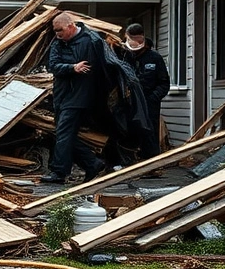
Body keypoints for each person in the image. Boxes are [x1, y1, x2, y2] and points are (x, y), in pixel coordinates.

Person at [42, 12, 106, 184]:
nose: (58, 34)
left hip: (79, 96)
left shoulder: (90, 41)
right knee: (64, 135)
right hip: (62, 96)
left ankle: (59, 173)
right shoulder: (58, 43)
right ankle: (92, 163)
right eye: (55, 31)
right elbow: (53, 65)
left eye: (60, 30)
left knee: (64, 133)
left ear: (70, 26)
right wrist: (72, 67)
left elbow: (98, 69)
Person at [121, 22, 170, 159]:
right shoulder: (126, 57)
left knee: (150, 133)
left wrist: (153, 98)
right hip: (131, 102)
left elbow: (164, 83)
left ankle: (151, 163)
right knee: (130, 132)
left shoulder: (155, 58)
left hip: (149, 102)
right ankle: (131, 161)